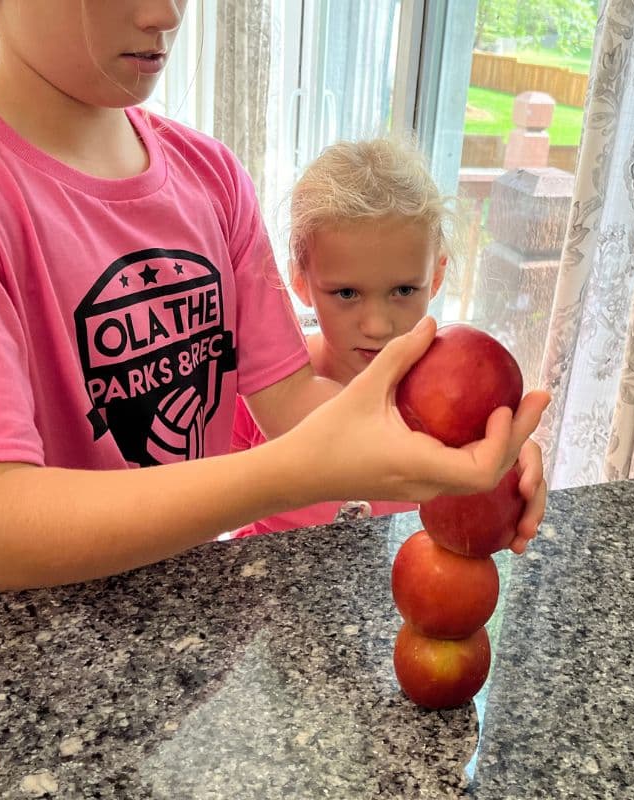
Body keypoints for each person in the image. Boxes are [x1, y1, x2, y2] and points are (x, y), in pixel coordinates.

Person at [0, 0, 550, 595]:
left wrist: (459, 453)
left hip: (163, 607)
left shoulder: (211, 176)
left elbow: (292, 400)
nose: (167, 13)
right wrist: (293, 474)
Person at [230, 138, 544, 550]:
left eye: (402, 290)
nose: (377, 326)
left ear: (436, 276)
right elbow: (209, 496)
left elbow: (481, 480)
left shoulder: (449, 399)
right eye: (346, 294)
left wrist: (508, 469)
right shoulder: (265, 391)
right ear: (301, 281)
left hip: (392, 589)